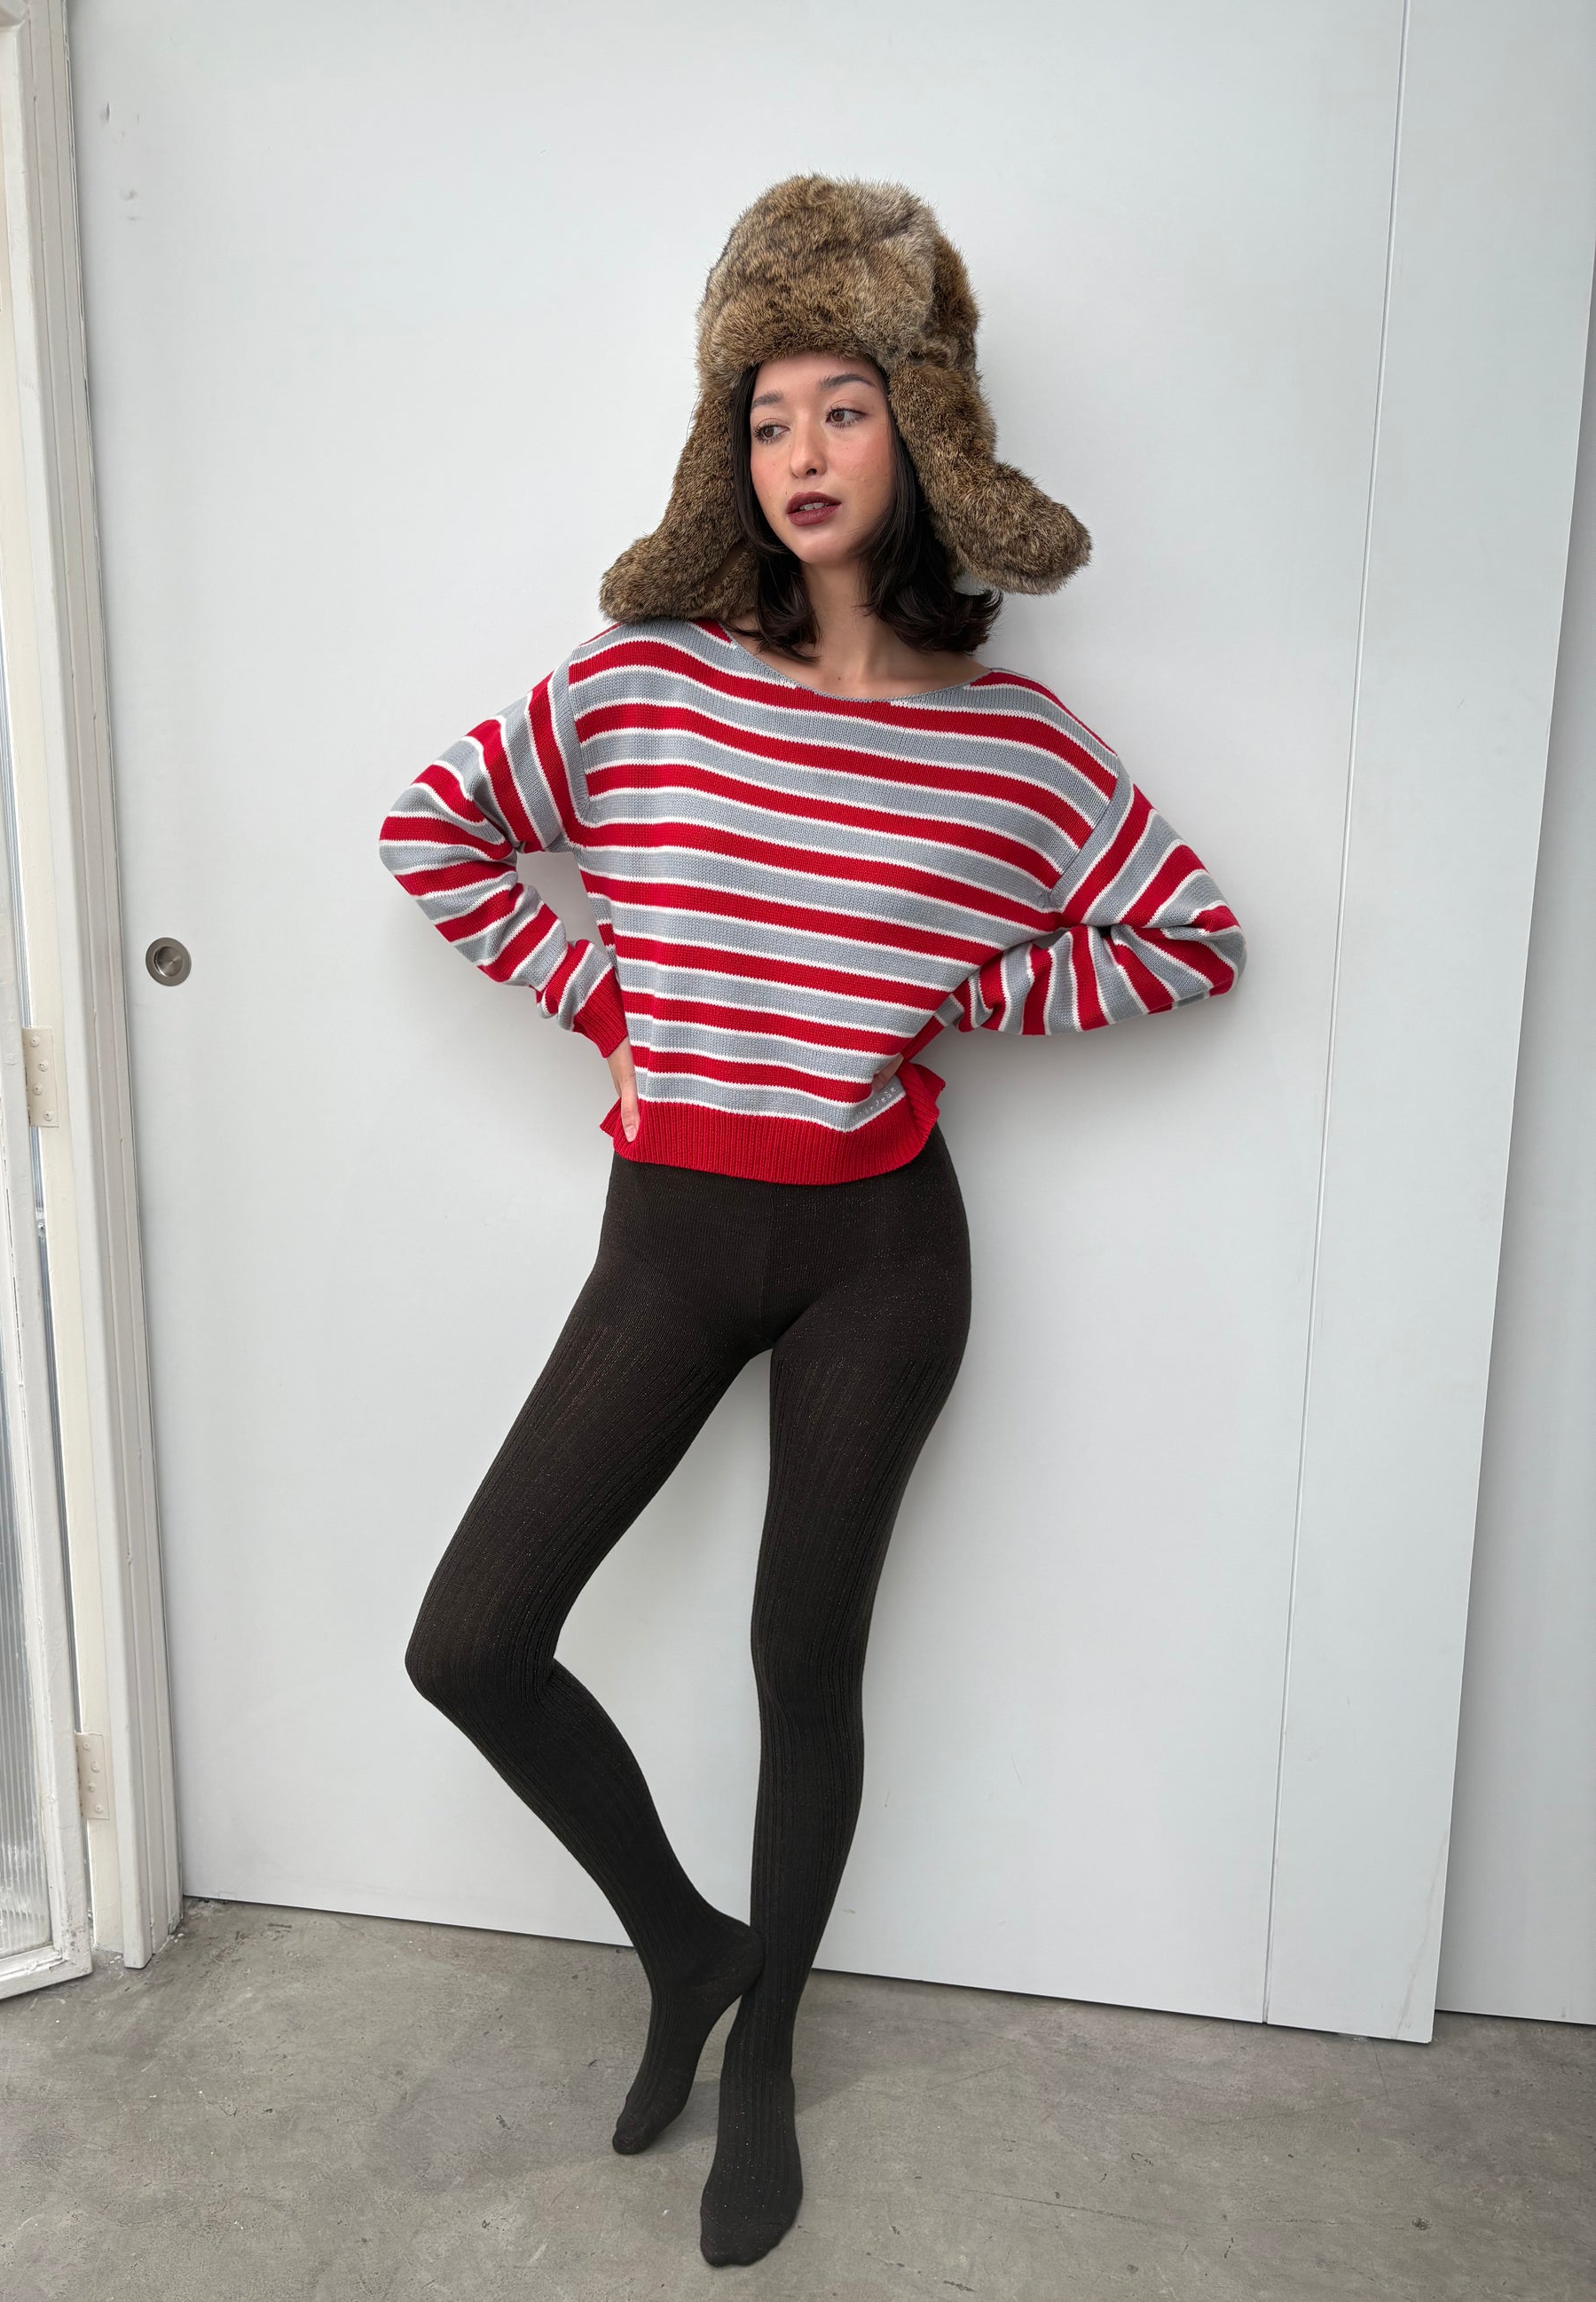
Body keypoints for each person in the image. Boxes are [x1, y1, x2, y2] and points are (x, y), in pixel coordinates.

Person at [378, 174, 1246, 2268]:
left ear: (919, 432)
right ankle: (692, 1945)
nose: (801, 452)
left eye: (840, 406)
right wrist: (619, 1003)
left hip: (881, 1255)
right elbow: (433, 827)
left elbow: (1191, 933)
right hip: (670, 1238)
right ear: (730, 454)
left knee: (803, 1660)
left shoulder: (1016, 750)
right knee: (471, 1637)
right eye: (764, 417)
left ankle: (766, 2052)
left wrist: (944, 996)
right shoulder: (648, 688)